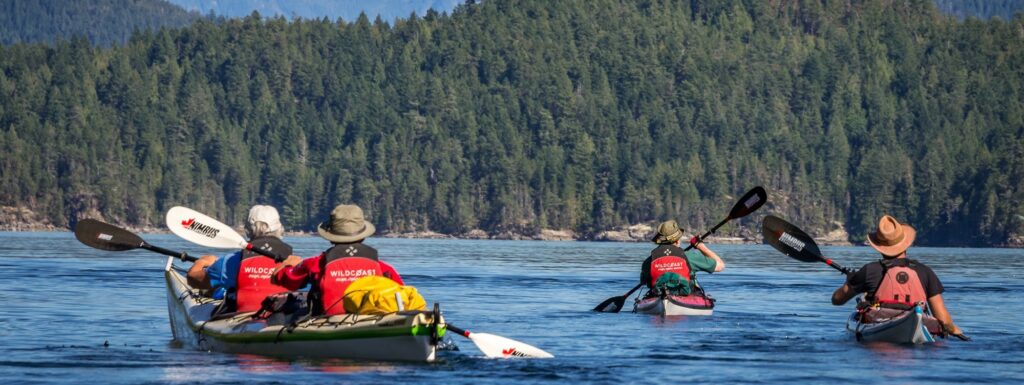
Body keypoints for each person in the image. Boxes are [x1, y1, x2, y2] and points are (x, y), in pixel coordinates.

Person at [831, 215, 966, 337]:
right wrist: (954, 330)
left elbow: (837, 300)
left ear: (879, 246)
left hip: (878, 331)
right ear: (905, 244)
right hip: (917, 328)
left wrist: (851, 282)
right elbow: (944, 321)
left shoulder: (869, 271)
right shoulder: (925, 272)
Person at [273, 204, 404, 316]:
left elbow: (284, 279)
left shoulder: (316, 263)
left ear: (331, 237)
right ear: (363, 236)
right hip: (372, 320)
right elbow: (402, 294)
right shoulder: (383, 267)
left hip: (330, 322)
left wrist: (288, 265)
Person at [187, 205, 296, 313]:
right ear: (279, 229)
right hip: (281, 316)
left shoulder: (231, 262)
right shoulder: (292, 260)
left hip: (245, 317)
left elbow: (193, 279)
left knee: (221, 290)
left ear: (248, 230)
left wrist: (202, 262)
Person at [639, 220, 725, 297]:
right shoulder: (689, 256)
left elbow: (644, 282)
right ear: (677, 241)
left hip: (658, 297)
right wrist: (700, 246)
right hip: (685, 295)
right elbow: (720, 266)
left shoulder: (649, 261)